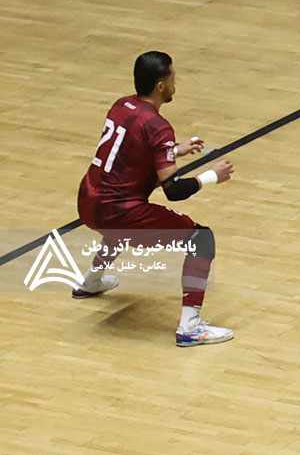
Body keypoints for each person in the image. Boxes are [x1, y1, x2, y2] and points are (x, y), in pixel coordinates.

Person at [75, 51, 236, 347]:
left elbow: (133, 150)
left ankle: (91, 281)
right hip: (117, 211)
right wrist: (211, 176)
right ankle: (190, 326)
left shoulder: (121, 105)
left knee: (120, 228)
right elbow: (173, 190)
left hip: (87, 200)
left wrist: (172, 150)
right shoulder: (158, 126)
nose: (175, 83)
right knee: (202, 240)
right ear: (161, 85)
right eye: (173, 78)